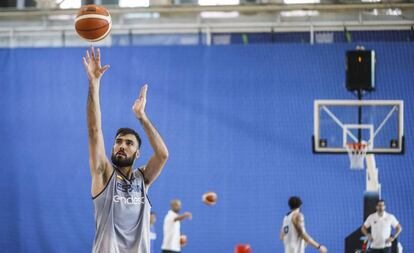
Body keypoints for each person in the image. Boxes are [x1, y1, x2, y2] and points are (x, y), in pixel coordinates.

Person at [83, 46, 169, 253]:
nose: (122, 145)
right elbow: (95, 131)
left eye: (129, 143)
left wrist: (142, 117)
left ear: (137, 154)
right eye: (119, 141)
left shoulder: (142, 180)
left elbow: (162, 155)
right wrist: (94, 84)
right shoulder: (103, 175)